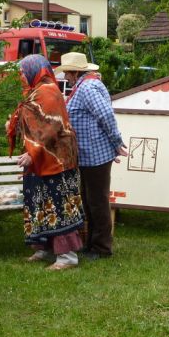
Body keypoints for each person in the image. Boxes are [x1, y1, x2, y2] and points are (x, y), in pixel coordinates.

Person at [7, 55, 84, 270]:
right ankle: (44, 248)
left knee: (58, 205)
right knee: (39, 203)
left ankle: (67, 256)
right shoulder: (35, 91)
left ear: (35, 70)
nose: (21, 76)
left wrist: (33, 152)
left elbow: (52, 125)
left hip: (55, 161)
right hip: (40, 162)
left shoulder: (48, 91)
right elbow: (33, 122)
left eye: (23, 71)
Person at [54, 52, 129, 260]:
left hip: (96, 155)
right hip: (88, 155)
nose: (66, 77)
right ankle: (91, 244)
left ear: (75, 72)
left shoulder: (88, 87)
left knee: (97, 202)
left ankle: (102, 248)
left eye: (67, 73)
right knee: (89, 201)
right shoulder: (84, 85)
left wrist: (116, 143)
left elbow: (105, 115)